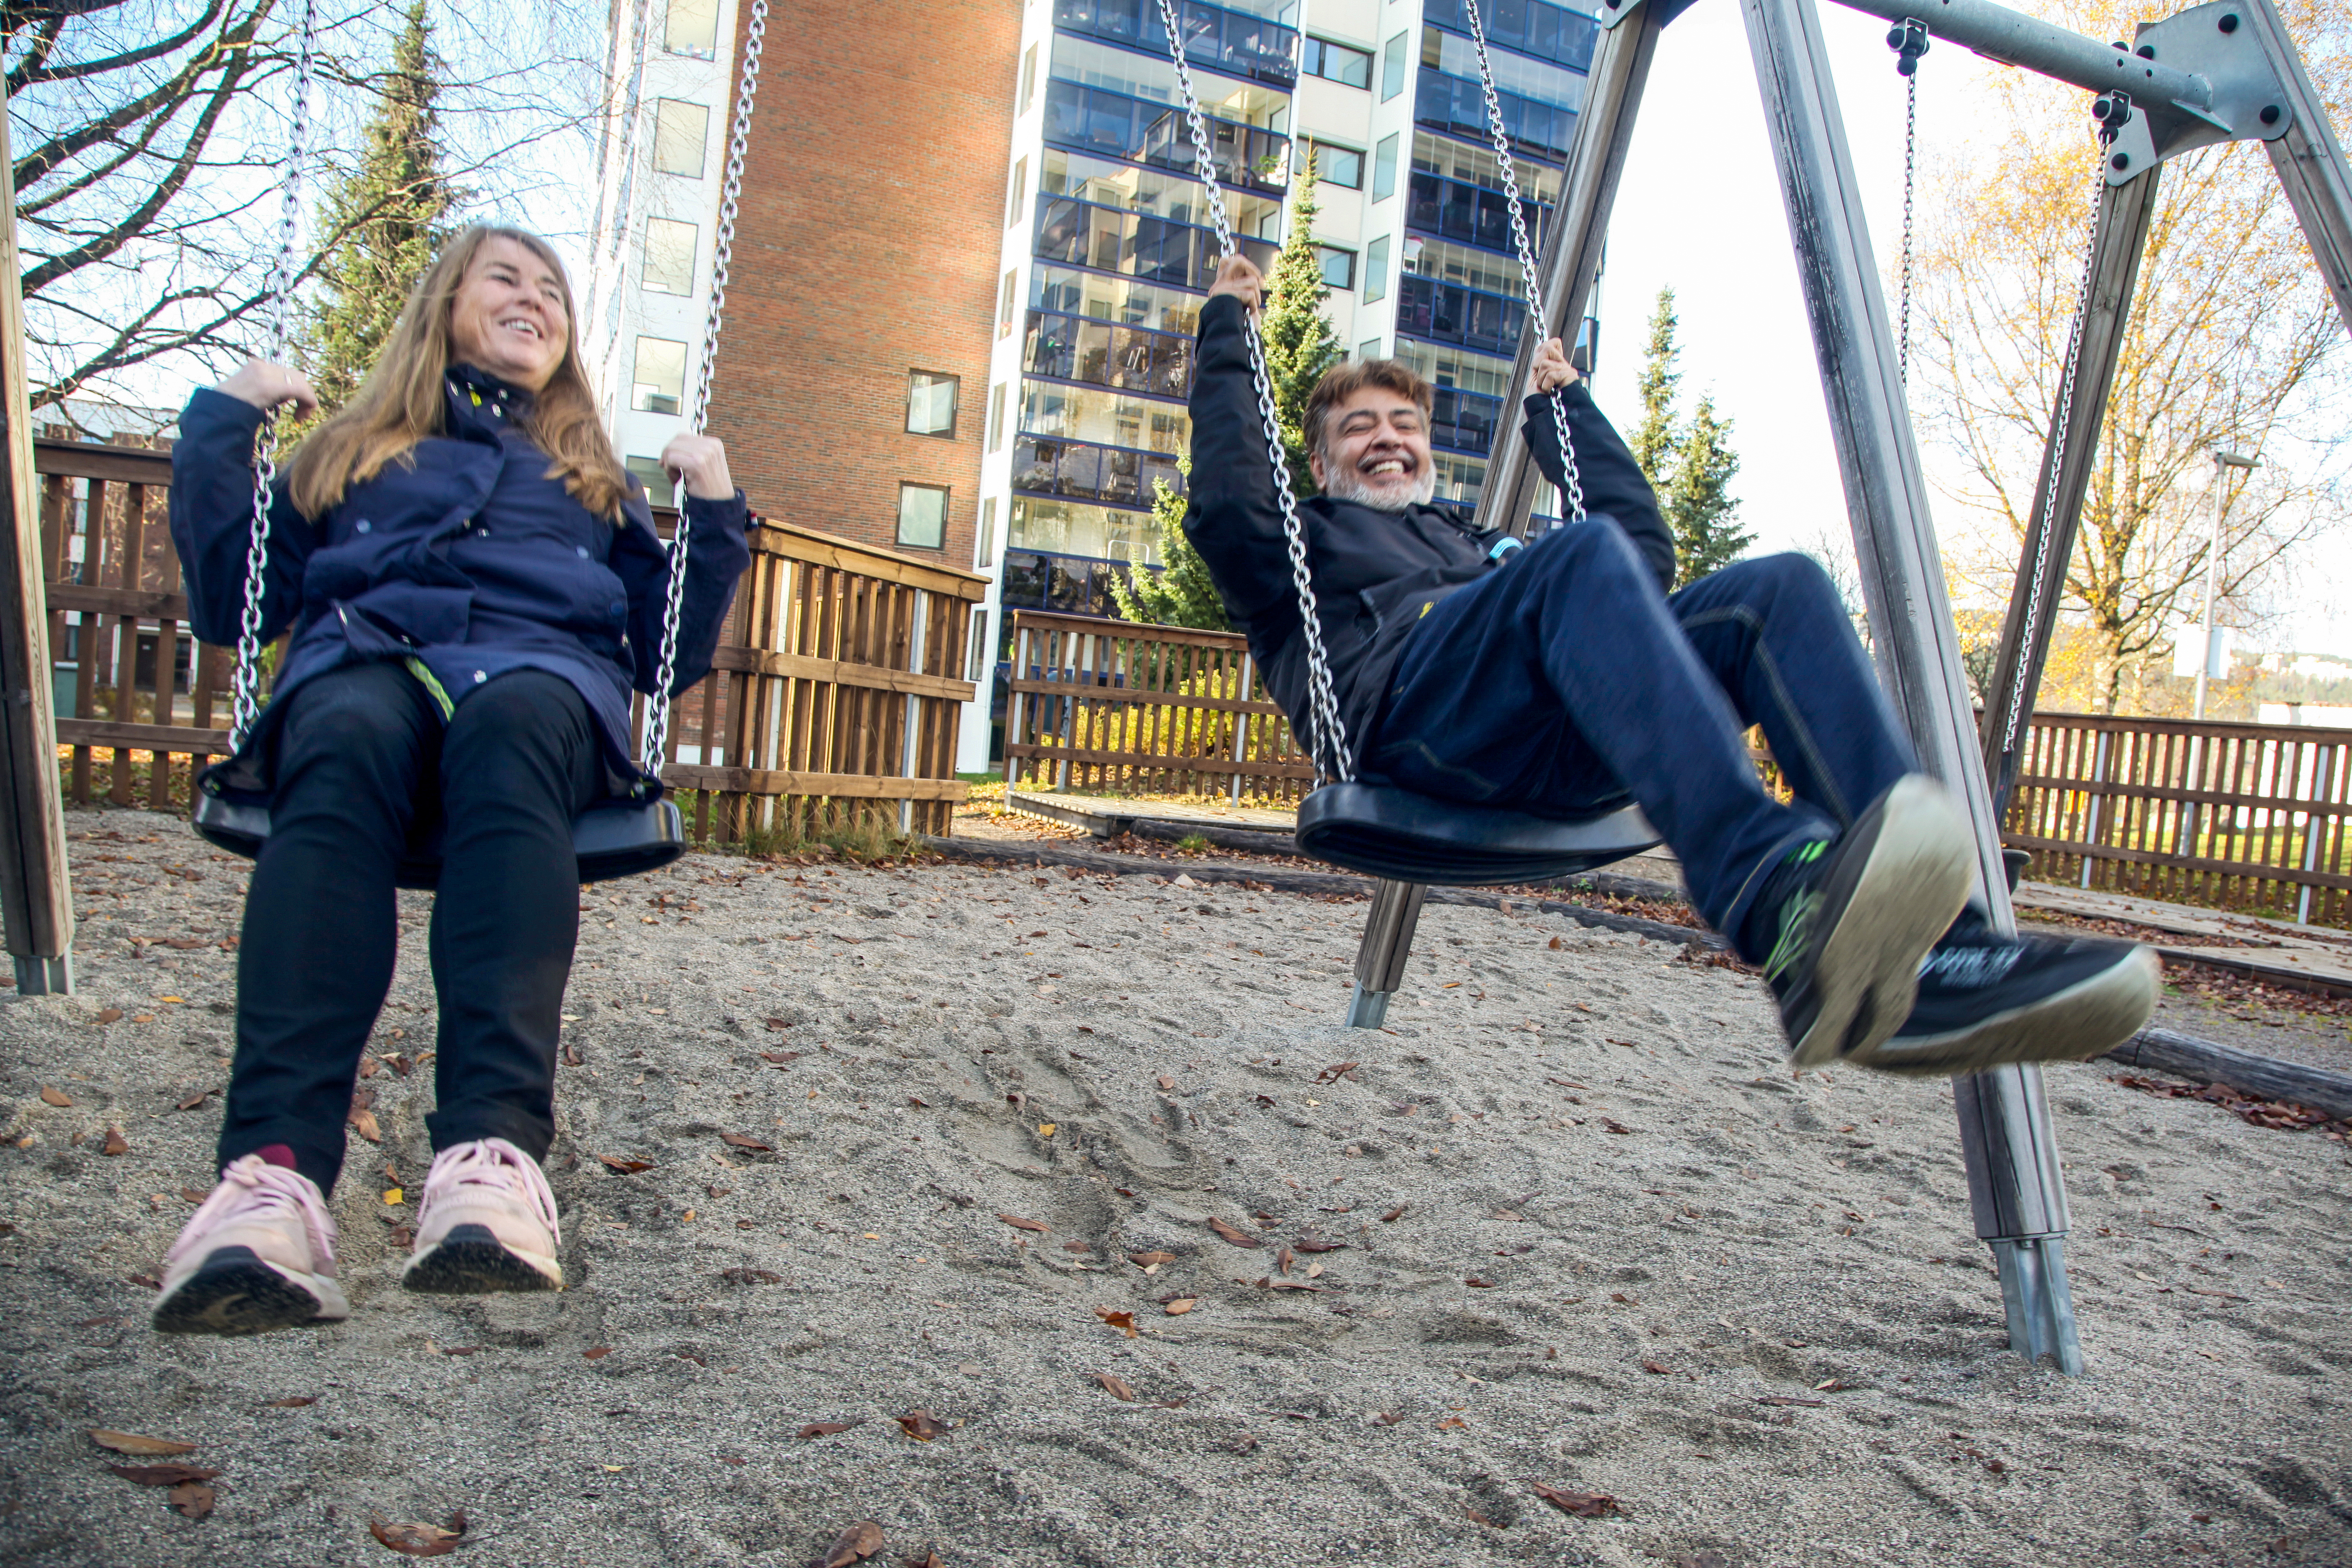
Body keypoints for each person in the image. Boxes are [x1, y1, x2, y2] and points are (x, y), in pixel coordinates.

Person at [1184, 254, 2156, 1075]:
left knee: (1774, 591)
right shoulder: (1295, 549)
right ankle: (1775, 903)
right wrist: (1230, 330)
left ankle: (1947, 956)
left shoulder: (1478, 545)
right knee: (1574, 556)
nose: (1387, 438)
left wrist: (1569, 419)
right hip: (1411, 731)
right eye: (1359, 428)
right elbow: (1228, 507)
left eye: (1404, 423)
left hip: (1551, 743)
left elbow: (1641, 566)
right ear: (1320, 463)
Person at [152, 226, 752, 1335]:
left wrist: (712, 513)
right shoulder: (351, 449)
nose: (534, 301)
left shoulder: (592, 475)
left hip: (537, 684)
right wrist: (225, 420)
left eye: (552, 292)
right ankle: (269, 1186)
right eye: (505, 280)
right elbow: (232, 595)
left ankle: (491, 1164)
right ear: (447, 303)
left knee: (515, 720)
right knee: (338, 728)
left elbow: (668, 654)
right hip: (368, 663)